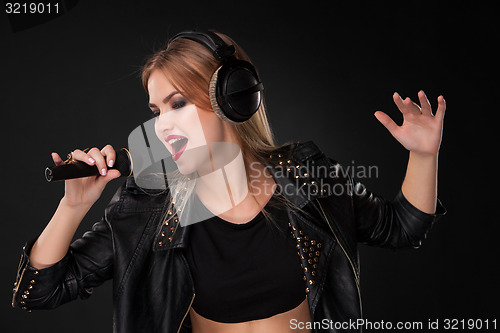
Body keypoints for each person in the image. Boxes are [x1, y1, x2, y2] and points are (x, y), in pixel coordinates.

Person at [11, 30, 446, 333]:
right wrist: (73, 206)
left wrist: (424, 154)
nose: (163, 126)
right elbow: (40, 293)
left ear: (233, 97)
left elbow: (403, 228)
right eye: (155, 111)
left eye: (177, 103)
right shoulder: (147, 204)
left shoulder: (308, 175)